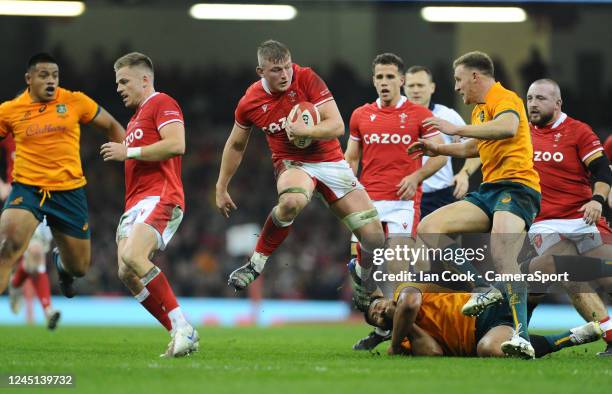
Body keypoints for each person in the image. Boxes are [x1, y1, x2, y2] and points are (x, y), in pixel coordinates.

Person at [215, 40, 385, 310]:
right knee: (291, 202)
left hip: (331, 162)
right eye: (275, 71)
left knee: (375, 237)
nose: (284, 75)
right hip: (293, 164)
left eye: (286, 68)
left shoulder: (306, 77)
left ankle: (363, 282)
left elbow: (337, 125)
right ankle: (256, 263)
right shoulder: (249, 102)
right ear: (261, 72)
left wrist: (307, 132)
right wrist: (222, 186)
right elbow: (236, 144)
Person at [408, 51, 541, 358]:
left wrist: (455, 128)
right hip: (490, 189)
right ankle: (483, 288)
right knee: (429, 227)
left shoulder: (504, 98)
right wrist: (437, 146)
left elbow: (507, 127)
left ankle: (521, 336)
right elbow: (473, 146)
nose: (456, 87)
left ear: (475, 77)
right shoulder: (480, 111)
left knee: (502, 251)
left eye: (458, 79)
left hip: (518, 187)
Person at [0, 53, 125, 298]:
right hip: (27, 189)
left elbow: (111, 125)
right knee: (7, 247)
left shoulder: (74, 101)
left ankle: (61, 265)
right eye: (44, 75)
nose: (51, 81)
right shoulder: (9, 110)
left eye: (55, 76)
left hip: (68, 191)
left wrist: (129, 156)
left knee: (79, 267)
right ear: (29, 78)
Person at [346, 55, 447, 350]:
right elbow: (351, 158)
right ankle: (382, 316)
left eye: (390, 77)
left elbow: (440, 155)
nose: (384, 83)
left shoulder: (418, 115)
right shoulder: (360, 115)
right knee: (367, 271)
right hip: (367, 200)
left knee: (398, 271)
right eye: (379, 77)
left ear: (401, 80)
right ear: (373, 80)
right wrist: (345, 190)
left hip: (403, 203)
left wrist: (416, 177)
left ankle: (397, 334)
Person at [100, 52, 198, 358]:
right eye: (117, 82)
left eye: (124, 81)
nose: (119, 88)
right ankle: (177, 332)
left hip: (161, 196)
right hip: (135, 202)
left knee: (133, 255)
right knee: (125, 272)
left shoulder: (162, 103)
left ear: (145, 80)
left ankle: (185, 327)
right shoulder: (134, 120)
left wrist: (128, 152)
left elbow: (176, 144)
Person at [525, 78, 612, 356]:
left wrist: (597, 199)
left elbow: (602, 171)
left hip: (583, 217)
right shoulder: (520, 135)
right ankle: (610, 336)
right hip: (545, 221)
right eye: (529, 98)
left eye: (540, 98)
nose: (533, 104)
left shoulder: (578, 131)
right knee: (562, 270)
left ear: (558, 103)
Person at [366, 283, 603, 357]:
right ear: (384, 328)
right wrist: (407, 330)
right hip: (486, 333)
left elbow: (409, 305)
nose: (378, 314)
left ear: (384, 298)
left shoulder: (403, 291)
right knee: (490, 349)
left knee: (541, 279)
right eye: (376, 319)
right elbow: (434, 352)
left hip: (484, 303)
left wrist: (394, 345)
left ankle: (586, 268)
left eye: (376, 307)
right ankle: (570, 337)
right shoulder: (408, 340)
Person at [403, 65, 481, 218]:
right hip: (404, 196)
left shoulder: (447, 115)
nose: (416, 90)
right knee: (404, 242)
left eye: (420, 85)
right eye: (411, 85)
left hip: (440, 196)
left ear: (432, 87)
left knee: (439, 242)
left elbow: (478, 148)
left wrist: (464, 174)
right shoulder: (393, 118)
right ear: (404, 88)